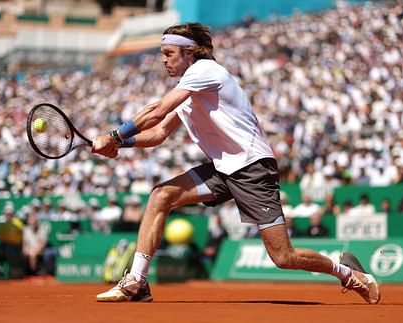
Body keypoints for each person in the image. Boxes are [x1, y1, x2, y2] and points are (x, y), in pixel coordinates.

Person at [91, 23, 380, 304]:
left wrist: (114, 135)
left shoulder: (205, 71)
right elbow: (158, 133)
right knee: (160, 195)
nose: (163, 60)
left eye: (169, 53)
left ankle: (347, 271)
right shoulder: (187, 88)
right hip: (222, 168)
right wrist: (120, 144)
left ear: (189, 53)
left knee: (283, 257)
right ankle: (136, 282)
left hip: (253, 167)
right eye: (162, 53)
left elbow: (156, 112)